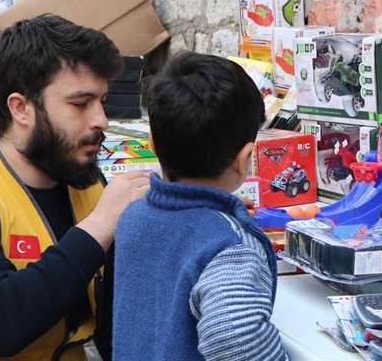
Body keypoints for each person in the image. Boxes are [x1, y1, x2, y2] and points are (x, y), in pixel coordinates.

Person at [0, 14, 150, 360]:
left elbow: (116, 322)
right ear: (21, 108)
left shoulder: (85, 181)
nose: (101, 120)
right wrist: (101, 224)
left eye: (103, 101)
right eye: (81, 104)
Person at [113, 52, 290, 360]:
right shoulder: (230, 247)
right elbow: (234, 338)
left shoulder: (133, 216)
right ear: (244, 158)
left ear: (151, 142)